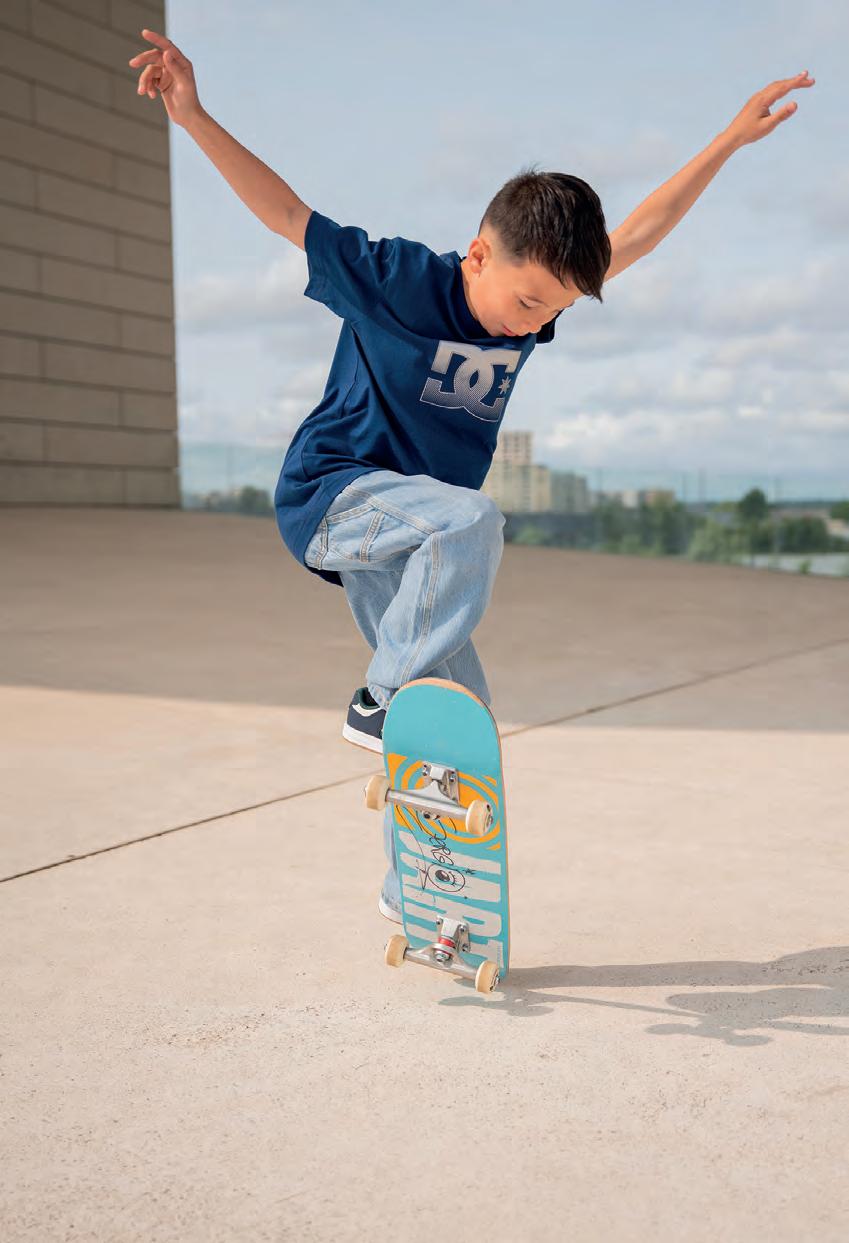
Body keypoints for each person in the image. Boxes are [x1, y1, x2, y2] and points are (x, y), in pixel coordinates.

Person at [128, 29, 814, 919]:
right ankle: (377, 699)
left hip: (415, 541)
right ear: (479, 253)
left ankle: (417, 891)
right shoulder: (397, 278)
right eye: (525, 302)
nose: (530, 324)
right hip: (335, 494)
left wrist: (726, 140)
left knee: (457, 726)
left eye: (550, 312)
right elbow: (286, 213)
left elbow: (637, 233)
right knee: (470, 519)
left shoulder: (539, 297)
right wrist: (191, 114)